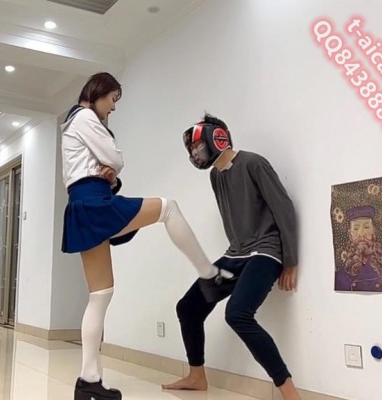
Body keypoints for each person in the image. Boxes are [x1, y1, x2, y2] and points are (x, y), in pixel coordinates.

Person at [60, 73, 235, 400]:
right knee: (168, 207)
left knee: (100, 295)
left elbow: (101, 171)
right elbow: (116, 159)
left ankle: (88, 380)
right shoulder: (85, 117)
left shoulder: (72, 122)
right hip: (95, 204)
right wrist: (113, 167)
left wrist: (111, 177)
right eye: (112, 99)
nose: (113, 108)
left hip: (84, 204)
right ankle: (209, 274)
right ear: (99, 92)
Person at [161, 114, 302, 400]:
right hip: (236, 255)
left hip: (265, 252)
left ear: (217, 138)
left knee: (237, 314)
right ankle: (197, 377)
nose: (194, 153)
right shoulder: (215, 176)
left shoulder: (253, 163)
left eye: (197, 146)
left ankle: (290, 393)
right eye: (191, 149)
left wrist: (290, 261)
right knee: (188, 308)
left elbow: (284, 208)